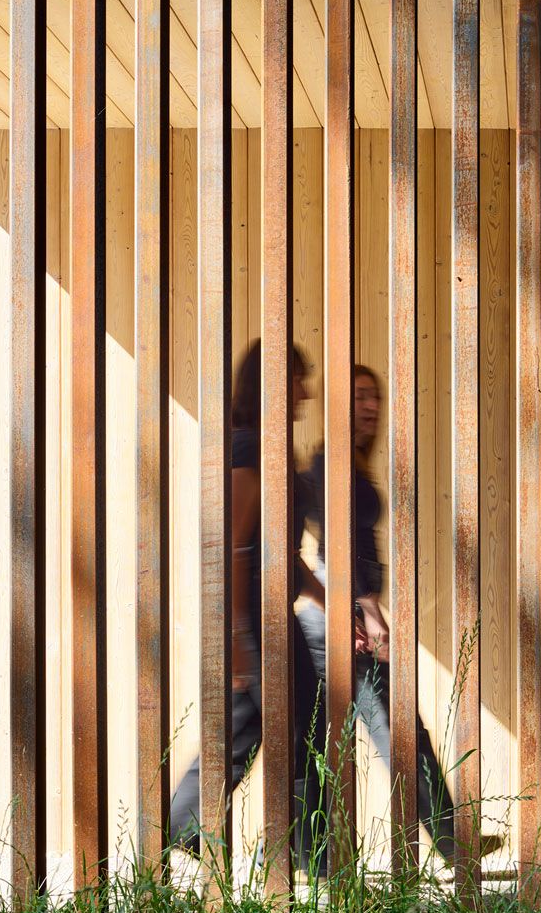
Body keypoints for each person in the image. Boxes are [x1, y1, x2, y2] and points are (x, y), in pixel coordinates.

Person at [294, 363, 462, 864]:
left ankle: (308, 856)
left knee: (316, 738)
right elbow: (342, 541)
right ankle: (453, 841)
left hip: (332, 614)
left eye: (374, 396)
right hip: (341, 617)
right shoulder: (335, 464)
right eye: (360, 396)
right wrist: (370, 612)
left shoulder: (345, 461)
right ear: (341, 404)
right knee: (398, 729)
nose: (370, 406)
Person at [168, 340, 325, 867]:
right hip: (257, 619)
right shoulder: (249, 448)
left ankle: (187, 822)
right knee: (289, 720)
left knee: (260, 724)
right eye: (298, 379)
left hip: (271, 611)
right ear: (272, 384)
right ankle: (304, 854)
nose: (306, 391)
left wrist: (328, 598)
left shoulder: (271, 447)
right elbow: (234, 547)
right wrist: (237, 639)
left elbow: (277, 549)